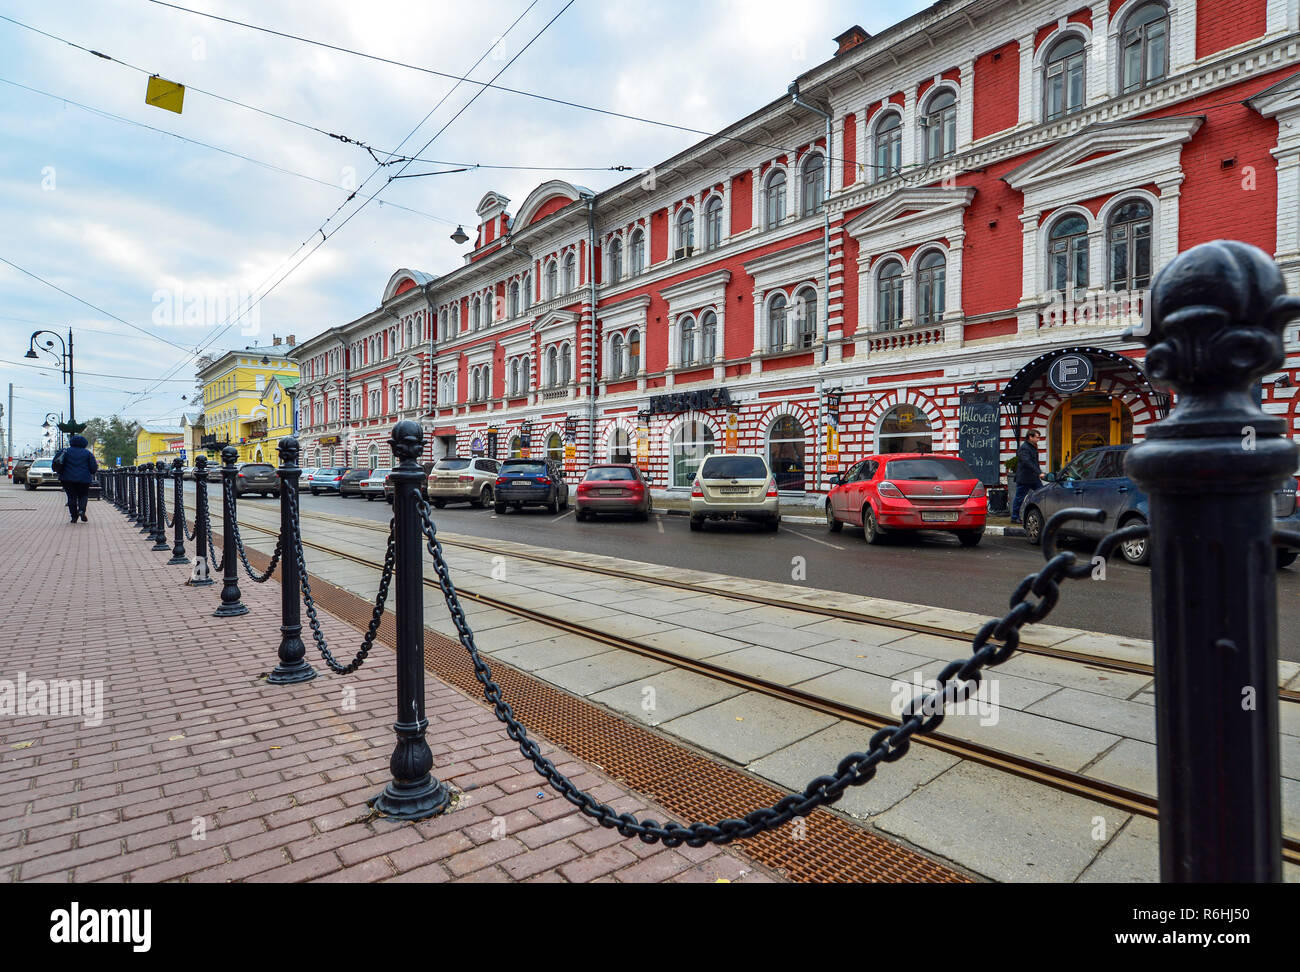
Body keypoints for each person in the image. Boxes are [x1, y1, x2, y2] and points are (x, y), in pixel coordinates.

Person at [55, 433, 98, 523]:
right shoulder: (88, 453)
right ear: (84, 443)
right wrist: (91, 473)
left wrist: (60, 472)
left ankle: (74, 517)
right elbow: (93, 467)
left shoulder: (65, 451)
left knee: (71, 497)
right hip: (84, 479)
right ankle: (82, 510)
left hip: (67, 479)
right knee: (83, 495)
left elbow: (56, 463)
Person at [1010, 429, 1043, 524]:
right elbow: (1027, 462)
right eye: (1037, 437)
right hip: (1024, 478)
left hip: (1033, 478)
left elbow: (1035, 463)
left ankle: (1041, 514)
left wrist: (1039, 473)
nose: (1038, 439)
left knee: (1042, 494)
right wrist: (1038, 472)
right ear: (1030, 437)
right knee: (1019, 498)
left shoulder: (1032, 447)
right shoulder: (1024, 448)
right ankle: (1014, 517)